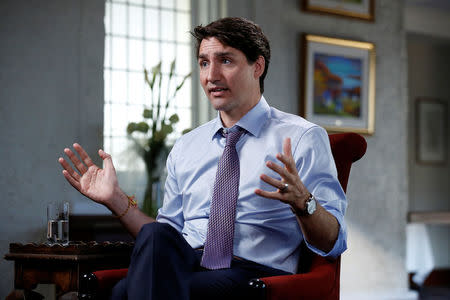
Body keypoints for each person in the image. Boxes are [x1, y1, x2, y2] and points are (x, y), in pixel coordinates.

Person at [59, 17, 347, 299]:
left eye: (226, 61)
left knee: (125, 292)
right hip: (187, 264)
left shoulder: (301, 138)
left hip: (255, 273)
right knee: (158, 236)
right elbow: (164, 239)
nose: (211, 76)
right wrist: (115, 198)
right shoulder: (187, 146)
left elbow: (334, 242)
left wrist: (304, 204)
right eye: (204, 63)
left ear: (257, 66)